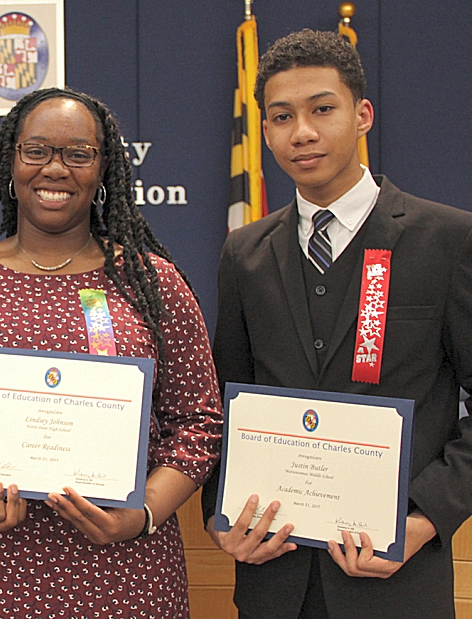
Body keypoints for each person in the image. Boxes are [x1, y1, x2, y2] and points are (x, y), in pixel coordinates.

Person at [0, 87, 223, 617]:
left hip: (123, 573)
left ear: (104, 168)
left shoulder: (151, 283)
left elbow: (199, 421)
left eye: (78, 153)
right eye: (37, 151)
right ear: (11, 161)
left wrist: (142, 514)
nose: (55, 169)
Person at [200, 29, 472, 619]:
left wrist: (425, 518)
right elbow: (225, 401)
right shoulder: (244, 253)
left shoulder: (448, 240)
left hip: (397, 580)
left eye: (322, 109)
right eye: (281, 116)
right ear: (265, 130)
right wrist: (223, 517)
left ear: (363, 114)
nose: (302, 131)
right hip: (274, 576)